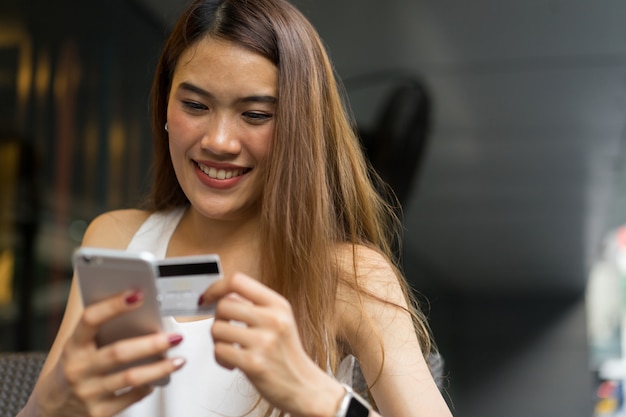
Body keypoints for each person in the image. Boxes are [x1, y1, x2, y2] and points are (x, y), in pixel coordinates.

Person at [18, 0, 453, 416]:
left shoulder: (349, 275)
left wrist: (322, 398)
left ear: (298, 128)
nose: (219, 142)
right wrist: (51, 403)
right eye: (194, 106)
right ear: (164, 107)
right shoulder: (116, 241)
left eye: (256, 114)